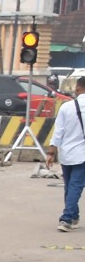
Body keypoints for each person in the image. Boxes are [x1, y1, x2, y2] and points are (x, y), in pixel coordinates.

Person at [46, 76, 85, 232]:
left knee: (70, 187)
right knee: (74, 187)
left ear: (77, 89)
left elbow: (58, 132)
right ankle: (71, 216)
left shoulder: (66, 107)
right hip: (82, 155)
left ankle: (68, 217)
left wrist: (51, 152)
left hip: (66, 154)